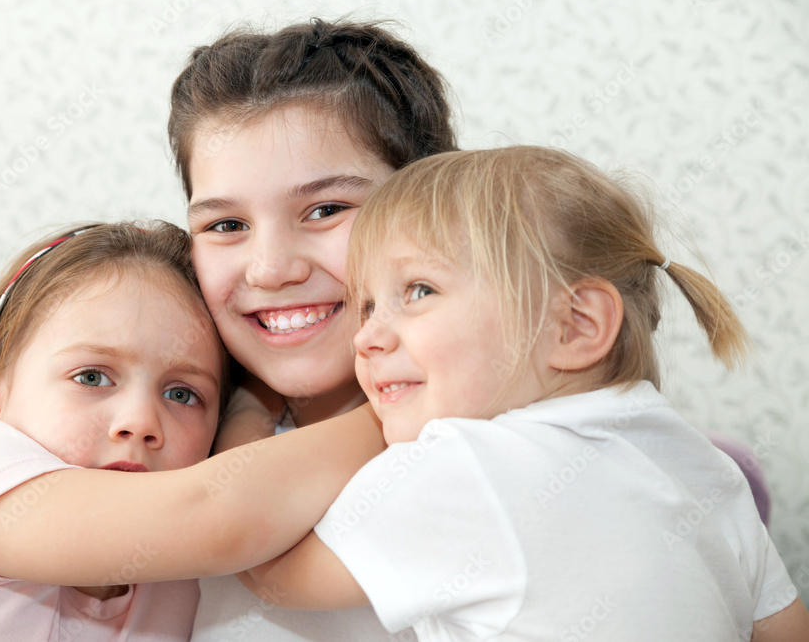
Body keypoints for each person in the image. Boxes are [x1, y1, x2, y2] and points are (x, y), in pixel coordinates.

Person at [237, 147, 809, 640]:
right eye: (367, 305)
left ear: (575, 326)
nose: (365, 337)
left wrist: (245, 405)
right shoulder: (710, 468)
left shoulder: (463, 463)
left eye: (418, 290)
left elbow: (268, 568)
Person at [0, 221, 386, 640]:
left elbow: (236, 499)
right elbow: (220, 513)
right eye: (91, 376)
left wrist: (251, 408)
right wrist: (398, 407)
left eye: (183, 394)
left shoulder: (174, 578)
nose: (140, 422)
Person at [169, 16, 456, 640]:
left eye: (326, 210)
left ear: (437, 206)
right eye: (225, 225)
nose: (271, 270)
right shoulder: (160, 436)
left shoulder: (496, 451)